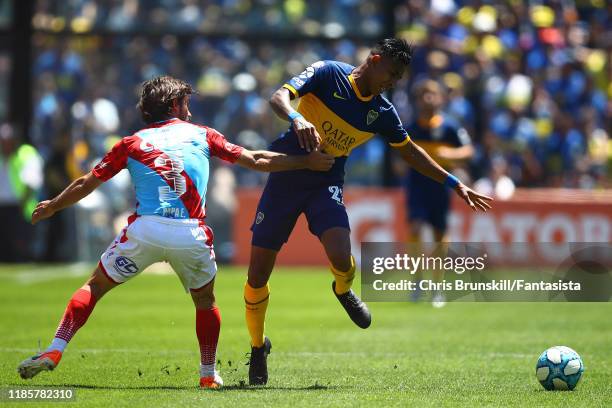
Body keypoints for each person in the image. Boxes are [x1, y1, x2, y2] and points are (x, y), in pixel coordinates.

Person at [17, 75, 334, 389]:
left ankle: (56, 348)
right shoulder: (203, 134)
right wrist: (306, 162)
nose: (191, 112)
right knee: (205, 302)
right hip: (190, 235)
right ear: (174, 105)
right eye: (187, 104)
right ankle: (208, 373)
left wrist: (54, 205)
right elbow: (257, 159)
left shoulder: (131, 143)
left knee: (95, 287)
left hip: (144, 232)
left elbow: (88, 181)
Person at [244, 38, 493, 385]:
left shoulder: (382, 112)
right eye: (390, 74)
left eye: (397, 79)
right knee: (257, 276)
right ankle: (258, 347)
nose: (391, 83)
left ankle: (343, 290)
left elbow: (410, 152)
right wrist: (298, 119)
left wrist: (455, 183)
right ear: (374, 60)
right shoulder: (328, 72)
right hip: (287, 173)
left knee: (342, 256)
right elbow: (278, 98)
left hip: (325, 181)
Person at [402, 79, 475, 307]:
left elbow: (469, 151)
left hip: (440, 188)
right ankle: (416, 282)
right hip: (417, 186)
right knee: (414, 228)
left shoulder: (450, 127)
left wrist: (447, 155)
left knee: (438, 234)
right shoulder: (411, 128)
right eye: (423, 94)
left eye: (432, 94)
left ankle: (437, 286)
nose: (427, 98)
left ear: (441, 98)